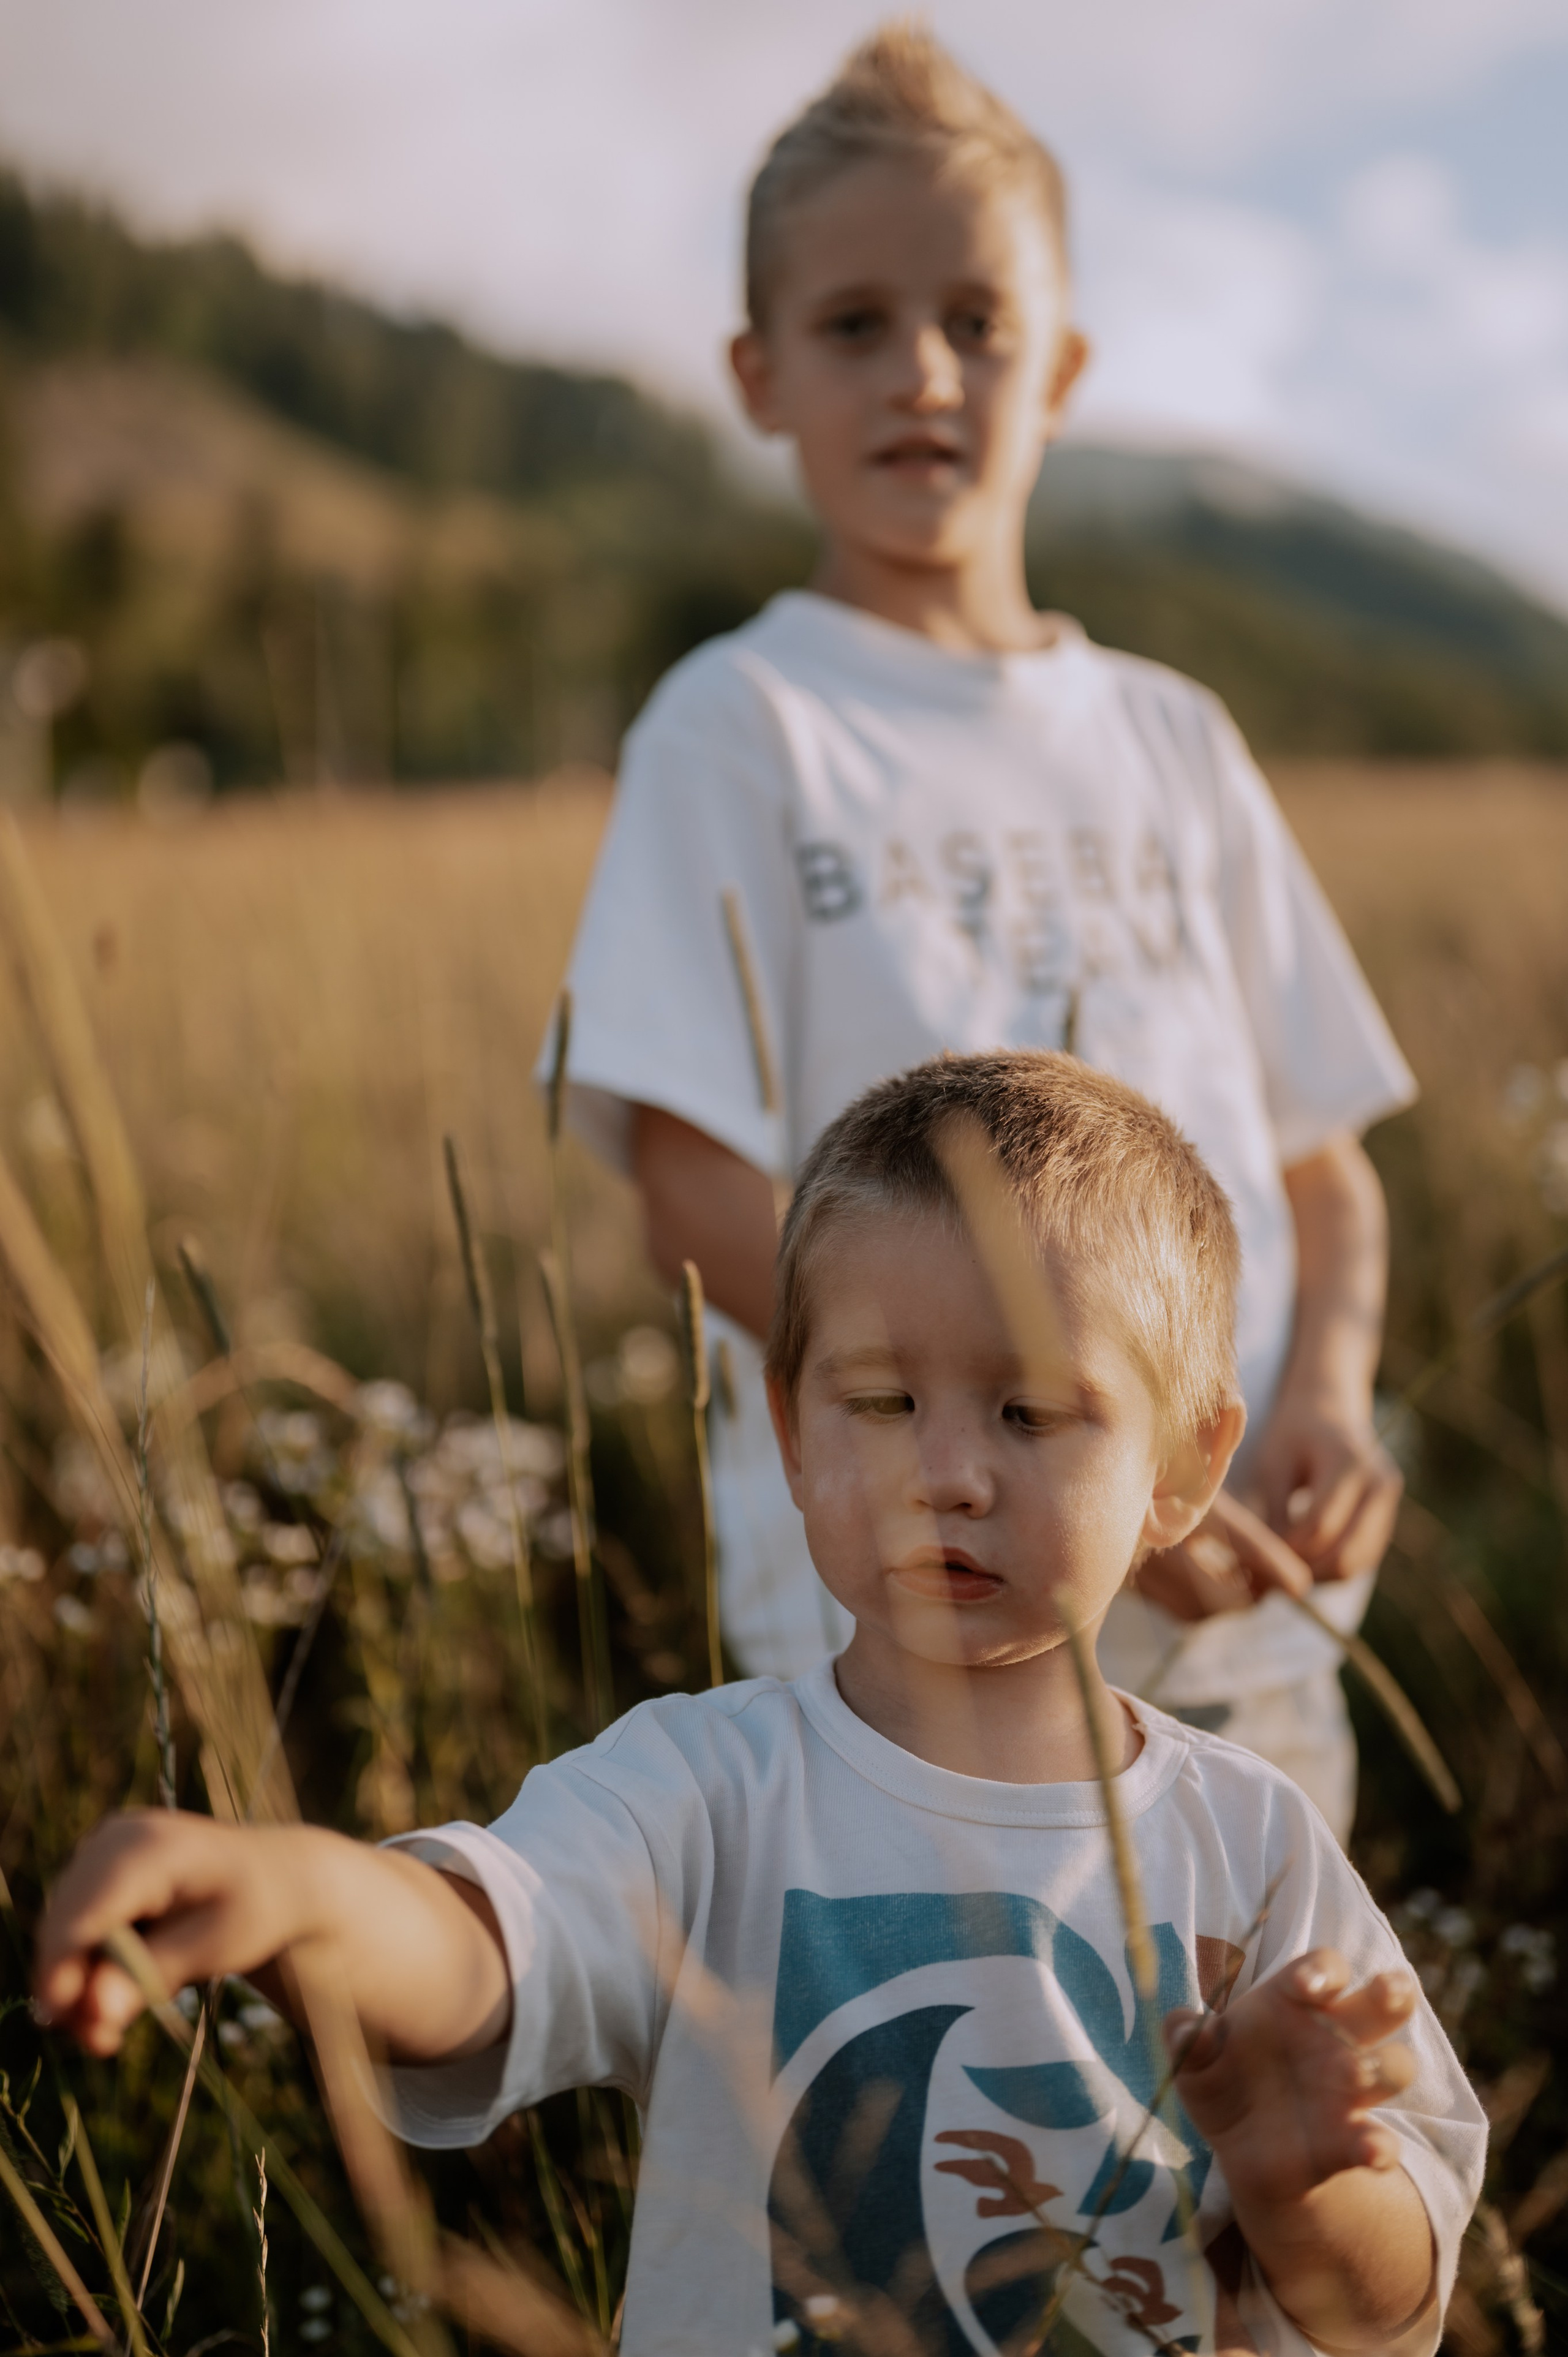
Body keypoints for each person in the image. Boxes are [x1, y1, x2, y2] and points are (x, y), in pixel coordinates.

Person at [38, 1054, 1482, 2356]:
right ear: (789, 1429)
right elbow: (484, 1955)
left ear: (1184, 1463)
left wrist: (1309, 2183)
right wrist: (303, 1893)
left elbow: (1386, 2309)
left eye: (1029, 1412)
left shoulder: (1253, 1845)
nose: (948, 1473)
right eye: (879, 1402)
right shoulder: (704, 1791)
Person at [547, 26, 1414, 1840]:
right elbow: (690, 1193)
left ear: (1065, 364)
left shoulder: (1170, 734)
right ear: (757, 373)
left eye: (977, 319)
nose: (922, 371)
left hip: (1230, 1588)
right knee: (931, 2075)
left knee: (1255, 2051)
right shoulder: (744, 724)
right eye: (854, 324)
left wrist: (1326, 1392)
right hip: (903, 1612)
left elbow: (1322, 1170)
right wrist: (1006, 1459)